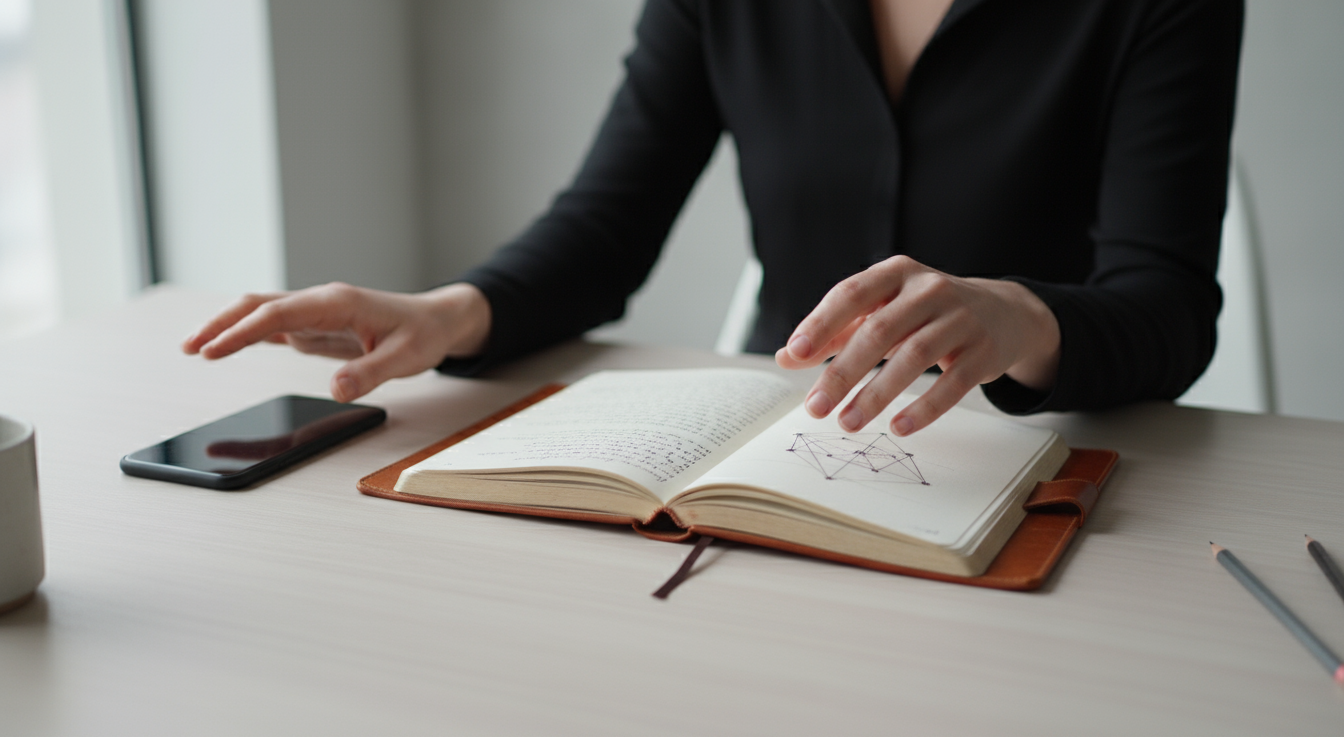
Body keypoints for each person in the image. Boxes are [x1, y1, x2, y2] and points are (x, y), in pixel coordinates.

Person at [184, 0, 1243, 437]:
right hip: (795, 447)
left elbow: (1166, 308)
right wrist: (448, 314)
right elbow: (608, 225)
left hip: (1062, 464)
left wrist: (1022, 318)